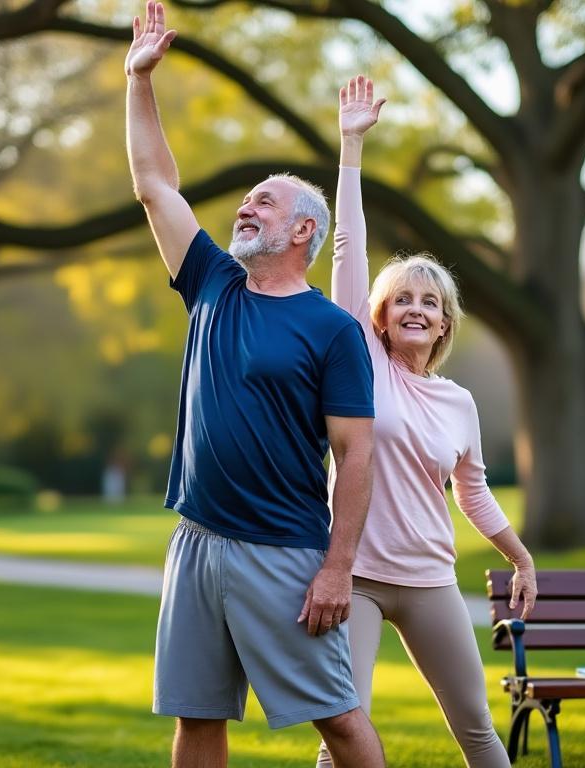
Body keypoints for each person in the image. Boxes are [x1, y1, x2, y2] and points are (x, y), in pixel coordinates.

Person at [125, 4, 385, 766]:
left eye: (265, 200)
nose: (247, 204)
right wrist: (139, 81)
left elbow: (356, 456)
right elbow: (152, 184)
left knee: (336, 717)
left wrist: (337, 568)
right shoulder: (210, 281)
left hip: (283, 551)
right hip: (197, 541)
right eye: (248, 198)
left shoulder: (333, 330)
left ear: (304, 231)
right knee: (196, 719)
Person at [316, 77, 538, 768]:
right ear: (379, 315)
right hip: (353, 575)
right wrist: (351, 147)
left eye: (429, 301)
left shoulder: (459, 402)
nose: (415, 307)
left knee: (476, 728)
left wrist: (519, 555)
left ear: (444, 322)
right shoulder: (361, 362)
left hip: (430, 579)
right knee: (345, 734)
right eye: (401, 298)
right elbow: (349, 249)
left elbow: (471, 494)